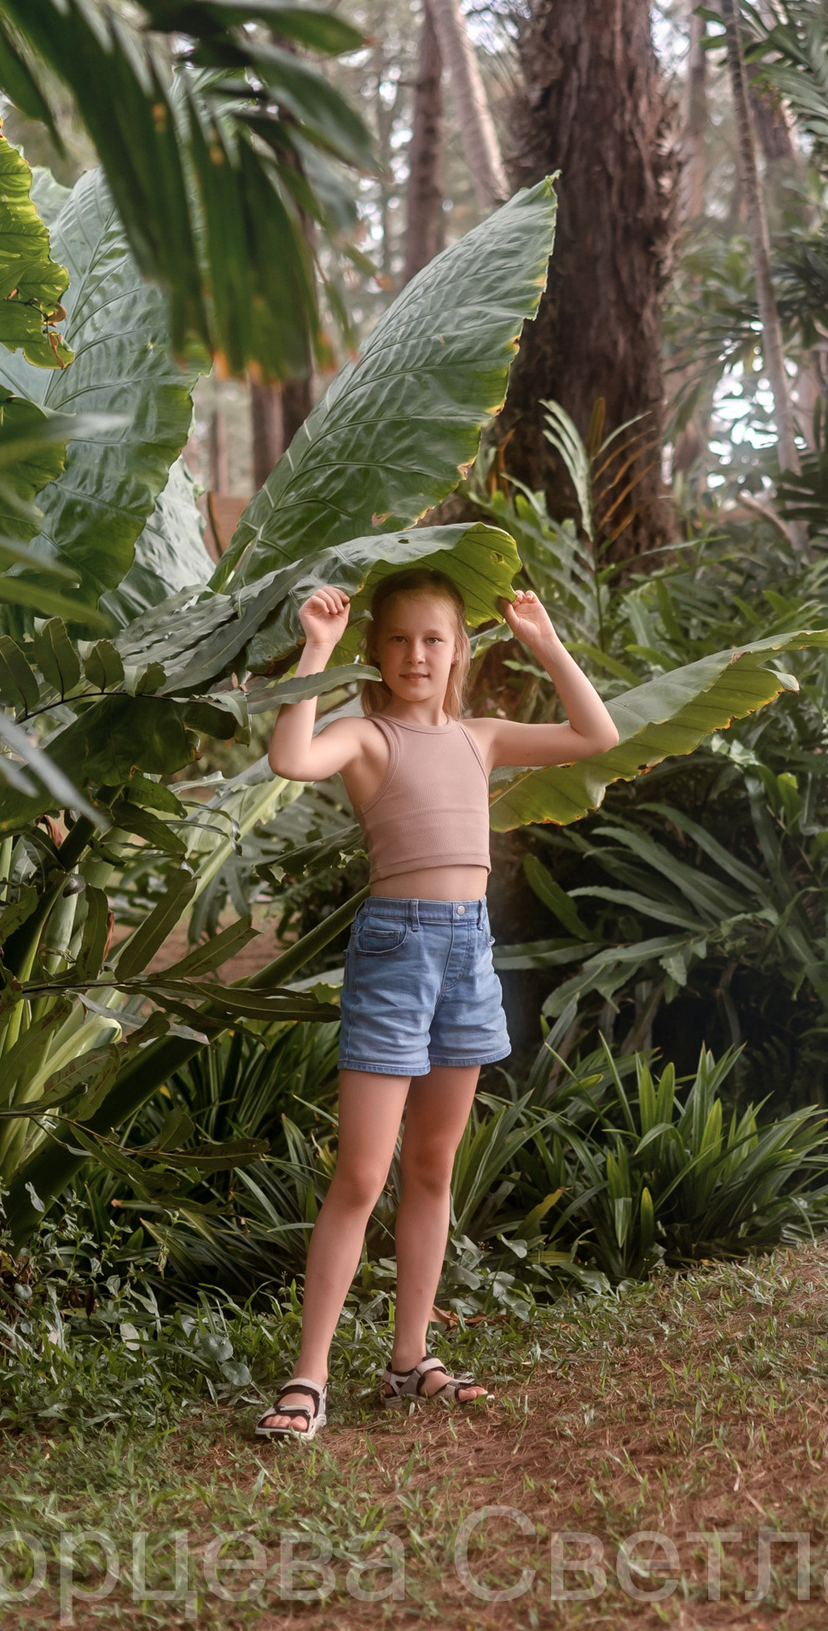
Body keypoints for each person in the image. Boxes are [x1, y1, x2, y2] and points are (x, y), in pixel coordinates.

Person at [252, 569, 617, 1440]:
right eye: (400, 639)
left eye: (435, 638)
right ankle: (309, 1377)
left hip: (469, 953)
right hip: (395, 950)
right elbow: (288, 759)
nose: (417, 653)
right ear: (376, 651)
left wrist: (545, 643)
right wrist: (314, 649)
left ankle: (411, 1360)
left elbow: (595, 733)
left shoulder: (480, 737)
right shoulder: (364, 736)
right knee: (362, 1174)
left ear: (458, 652)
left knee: (431, 1168)